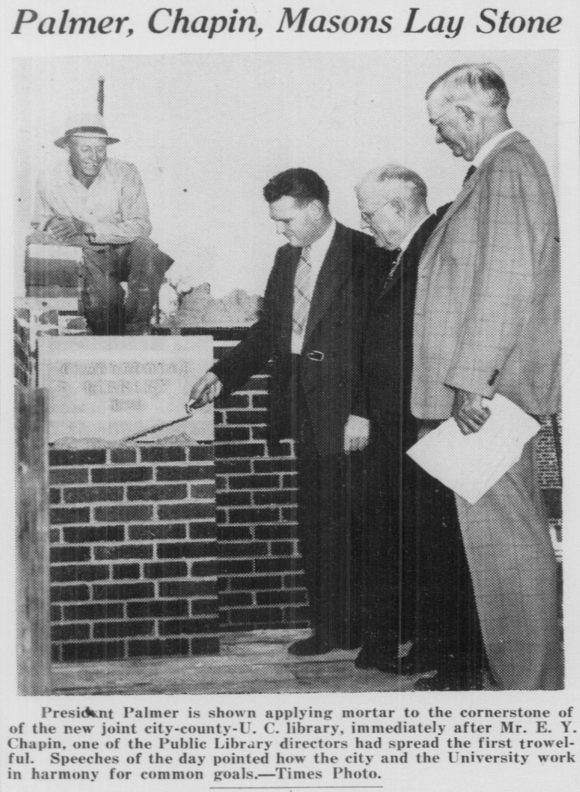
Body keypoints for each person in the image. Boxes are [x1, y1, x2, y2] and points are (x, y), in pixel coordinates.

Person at [186, 168, 384, 655]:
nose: (281, 230)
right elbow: (270, 331)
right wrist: (223, 375)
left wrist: (363, 412)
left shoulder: (367, 254)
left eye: (287, 219)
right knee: (319, 524)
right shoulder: (285, 258)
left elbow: (380, 343)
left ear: (316, 209)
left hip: (351, 415)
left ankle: (379, 634)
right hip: (305, 410)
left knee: (363, 524)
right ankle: (333, 629)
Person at [413, 64, 562, 689]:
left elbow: (505, 280)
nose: (440, 139)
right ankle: (528, 681)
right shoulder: (503, 170)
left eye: (441, 125)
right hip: (493, 389)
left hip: (490, 395)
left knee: (508, 547)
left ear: (470, 113)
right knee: (507, 543)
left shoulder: (506, 169)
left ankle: (529, 693)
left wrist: (472, 379)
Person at [353, 165, 484, 689]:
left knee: (447, 547)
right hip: (404, 423)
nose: (366, 224)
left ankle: (461, 664)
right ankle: (434, 646)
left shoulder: (436, 244)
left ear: (400, 207)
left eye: (369, 213)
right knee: (426, 544)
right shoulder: (409, 250)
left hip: (428, 420)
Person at [32, 113, 173, 335]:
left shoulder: (125, 172)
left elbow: (141, 226)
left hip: (123, 253)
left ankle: (137, 331)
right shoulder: (49, 179)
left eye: (101, 149)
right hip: (86, 258)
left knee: (149, 251)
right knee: (106, 309)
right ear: (68, 148)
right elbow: (38, 225)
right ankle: (111, 333)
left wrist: (88, 227)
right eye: (85, 149)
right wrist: (53, 226)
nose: (94, 157)